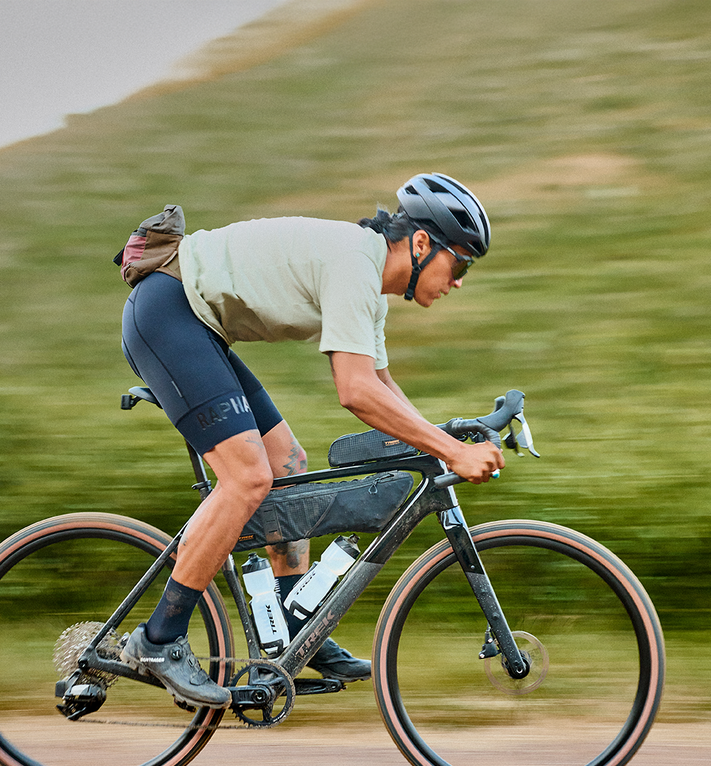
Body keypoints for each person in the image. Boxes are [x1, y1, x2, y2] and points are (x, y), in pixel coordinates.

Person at [119, 171, 504, 709]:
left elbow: (383, 388)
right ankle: (159, 639)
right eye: (459, 263)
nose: (459, 280)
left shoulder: (368, 281)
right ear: (421, 244)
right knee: (248, 476)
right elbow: (356, 391)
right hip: (168, 313)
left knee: (287, 461)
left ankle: (294, 628)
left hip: (193, 324)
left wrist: (443, 437)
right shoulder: (354, 263)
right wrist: (453, 452)